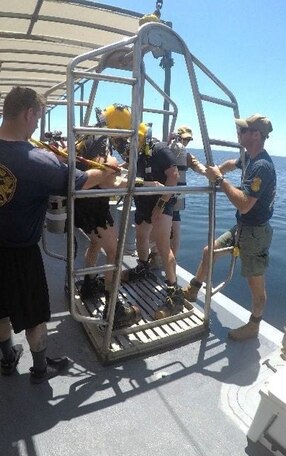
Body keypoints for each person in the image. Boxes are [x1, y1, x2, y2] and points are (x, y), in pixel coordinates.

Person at [0, 86, 112, 383]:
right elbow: (82, 181)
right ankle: (39, 368)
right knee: (34, 317)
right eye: (38, 118)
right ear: (28, 113)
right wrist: (109, 169)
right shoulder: (37, 162)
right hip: (19, 253)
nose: (37, 125)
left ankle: (8, 359)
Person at [183, 113, 276, 341]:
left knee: (255, 285)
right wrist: (214, 171)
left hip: (255, 233)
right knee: (209, 251)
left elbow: (244, 205)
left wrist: (219, 181)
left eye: (242, 130)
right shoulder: (249, 158)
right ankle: (194, 288)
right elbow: (230, 164)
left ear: (255, 135)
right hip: (243, 227)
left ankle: (254, 325)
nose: (238, 133)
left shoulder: (261, 166)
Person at [118, 119, 184, 321]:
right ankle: (143, 267)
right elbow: (128, 168)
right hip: (144, 202)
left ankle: (174, 292)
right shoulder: (137, 153)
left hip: (161, 203)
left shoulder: (160, 149)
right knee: (140, 237)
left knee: (163, 245)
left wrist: (161, 204)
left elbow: (173, 176)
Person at [74, 135, 142, 328]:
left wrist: (121, 166)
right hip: (96, 210)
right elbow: (107, 183)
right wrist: (138, 182)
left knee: (95, 243)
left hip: (82, 207)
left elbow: (98, 170)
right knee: (114, 252)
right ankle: (114, 309)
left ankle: (88, 284)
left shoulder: (87, 141)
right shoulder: (103, 144)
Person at [149, 125, 206, 268]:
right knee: (171, 227)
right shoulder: (176, 152)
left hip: (167, 195)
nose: (185, 143)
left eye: (187, 140)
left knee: (163, 226)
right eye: (184, 139)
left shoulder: (178, 152)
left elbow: (199, 167)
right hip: (171, 195)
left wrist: (210, 173)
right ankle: (166, 259)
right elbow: (199, 167)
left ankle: (162, 258)